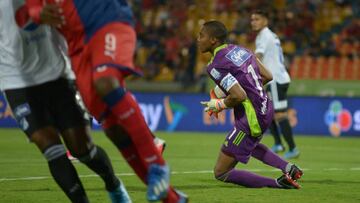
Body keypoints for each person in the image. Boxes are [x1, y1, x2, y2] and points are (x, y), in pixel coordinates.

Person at [25, 0, 187, 202]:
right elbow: (33, 11)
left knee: (105, 82)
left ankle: (158, 165)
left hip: (108, 22)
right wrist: (40, 13)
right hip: (77, 47)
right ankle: (172, 198)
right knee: (111, 126)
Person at [0, 0, 130, 202]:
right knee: (49, 146)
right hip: (16, 81)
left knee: (82, 149)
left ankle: (113, 183)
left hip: (58, 75)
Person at [198, 20, 303, 189]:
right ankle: (289, 169)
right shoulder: (240, 50)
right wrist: (249, 89)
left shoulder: (216, 65)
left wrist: (219, 105)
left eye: (201, 35)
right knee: (249, 145)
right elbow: (268, 75)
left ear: (213, 40)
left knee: (221, 172)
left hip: (251, 117)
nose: (198, 39)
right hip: (266, 107)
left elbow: (238, 96)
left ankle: (279, 183)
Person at [251, 10, 300, 159]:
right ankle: (279, 143)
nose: (253, 22)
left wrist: (245, 68)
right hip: (274, 79)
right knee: (269, 112)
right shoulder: (266, 35)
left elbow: (257, 56)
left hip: (275, 80)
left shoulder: (264, 36)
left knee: (279, 114)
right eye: (252, 19)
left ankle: (293, 148)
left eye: (257, 19)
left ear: (265, 20)